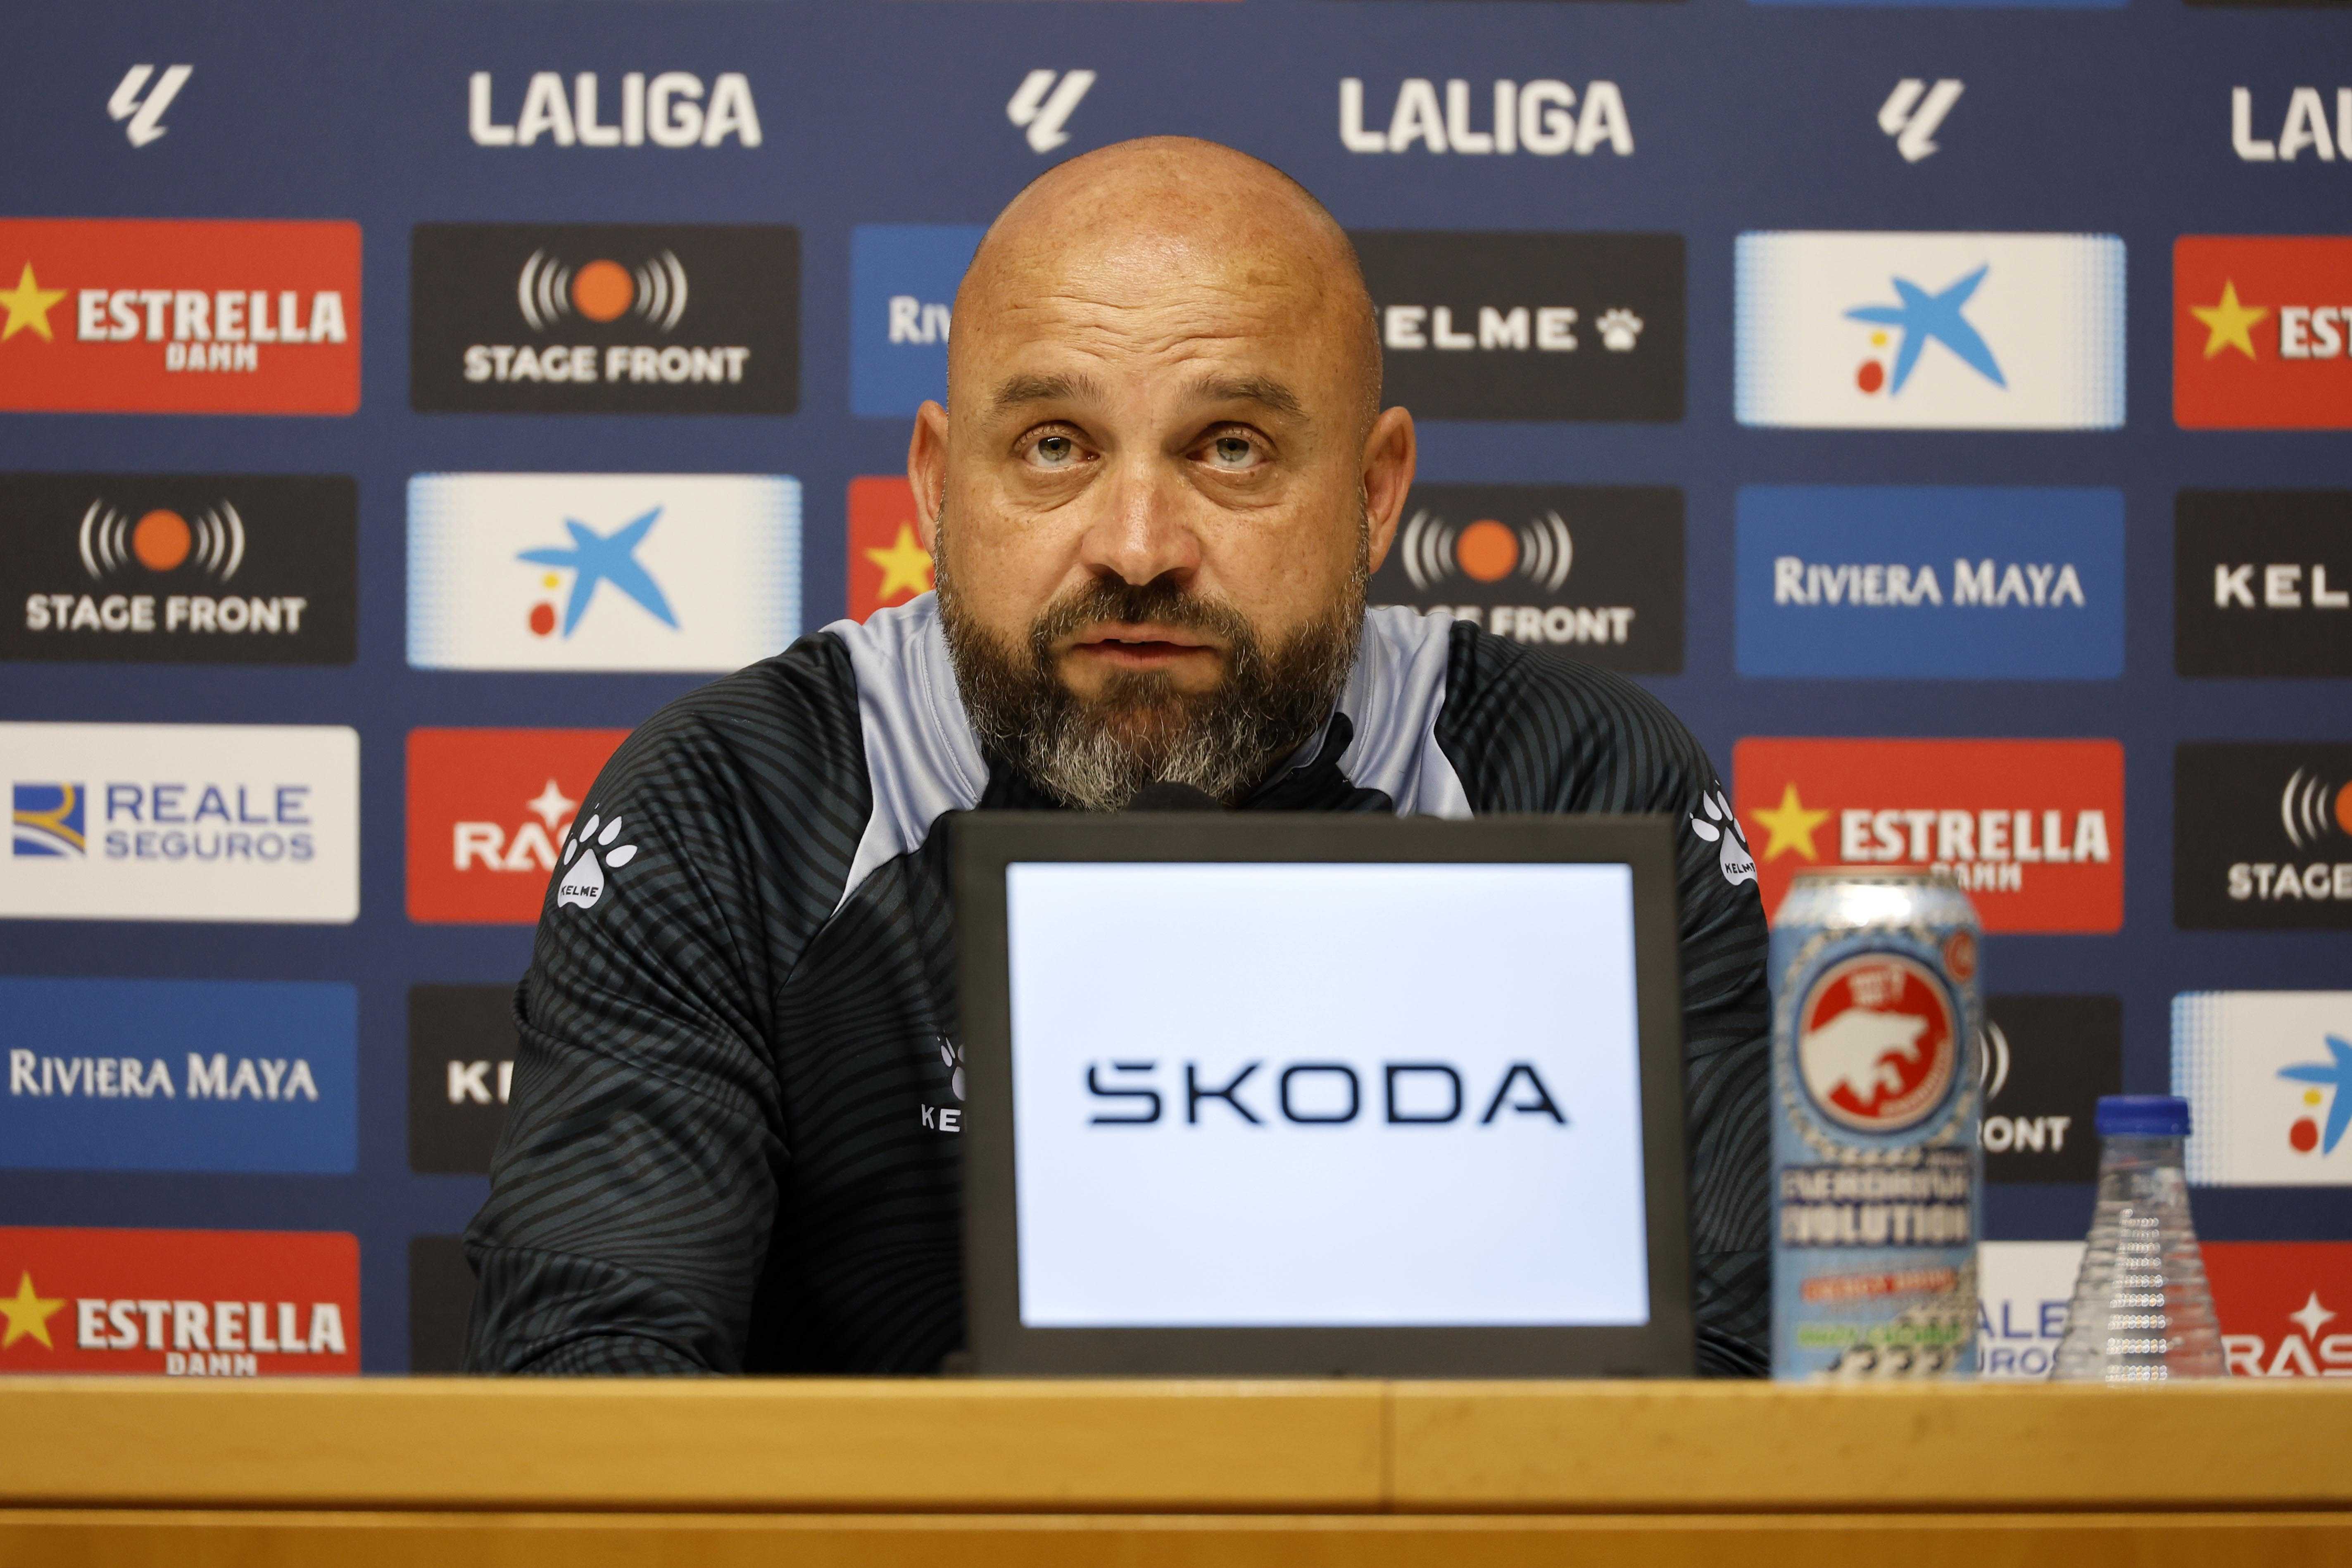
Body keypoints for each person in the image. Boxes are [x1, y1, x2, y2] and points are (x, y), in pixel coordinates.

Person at [465, 136, 1770, 1376]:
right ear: (937, 486)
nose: (1137, 544)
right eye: (1055, 446)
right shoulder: (737, 805)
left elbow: (1750, 1376)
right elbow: (592, 1377)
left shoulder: (1581, 780)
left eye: (1232, 447)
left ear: (1374, 494)